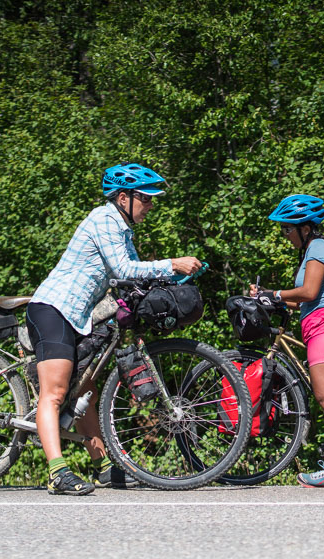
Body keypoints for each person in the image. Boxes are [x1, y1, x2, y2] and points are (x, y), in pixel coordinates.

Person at [27, 163, 203, 495]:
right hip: (53, 309)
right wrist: (172, 263)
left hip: (78, 318)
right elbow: (124, 268)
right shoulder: (103, 219)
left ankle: (103, 467)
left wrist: (171, 281)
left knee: (84, 393)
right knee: (55, 394)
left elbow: (130, 279)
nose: (151, 206)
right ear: (124, 197)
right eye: (147, 199)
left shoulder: (122, 229)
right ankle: (57, 472)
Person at [252, 194, 324, 487]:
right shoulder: (315, 249)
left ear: (305, 227)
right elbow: (304, 300)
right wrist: (270, 295)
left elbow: (310, 291)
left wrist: (276, 293)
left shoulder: (317, 247)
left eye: (287, 228)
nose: (285, 234)